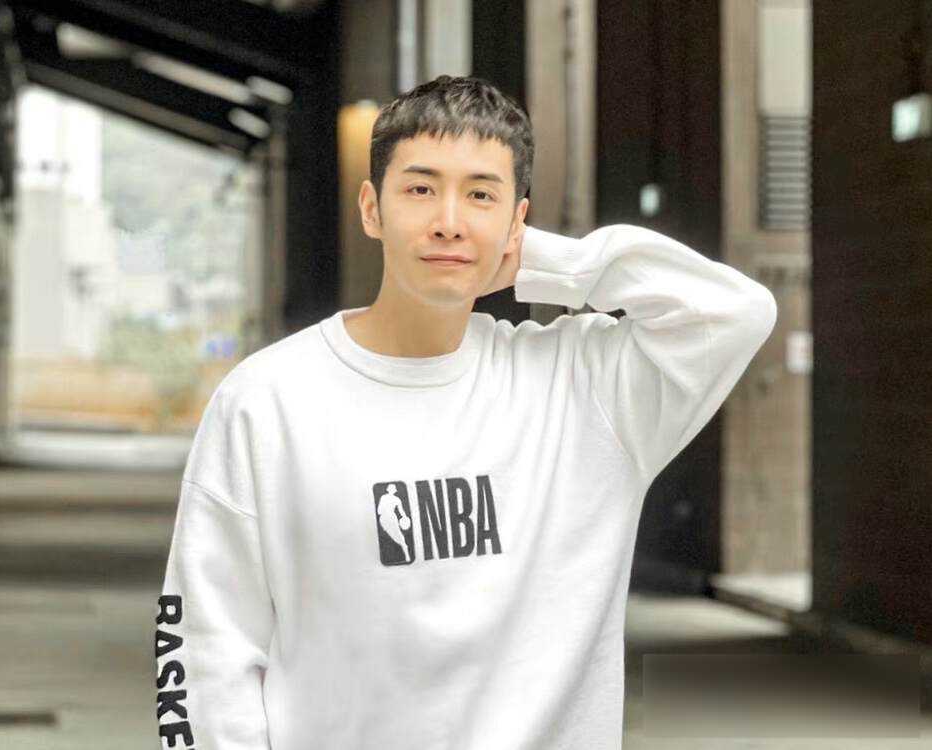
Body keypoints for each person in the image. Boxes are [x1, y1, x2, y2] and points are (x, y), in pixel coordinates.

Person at [153, 74, 777, 749]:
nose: (448, 220)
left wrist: (549, 263)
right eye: (420, 189)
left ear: (517, 220)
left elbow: (736, 313)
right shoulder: (268, 400)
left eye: (481, 195)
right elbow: (205, 646)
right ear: (372, 209)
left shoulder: (586, 390)